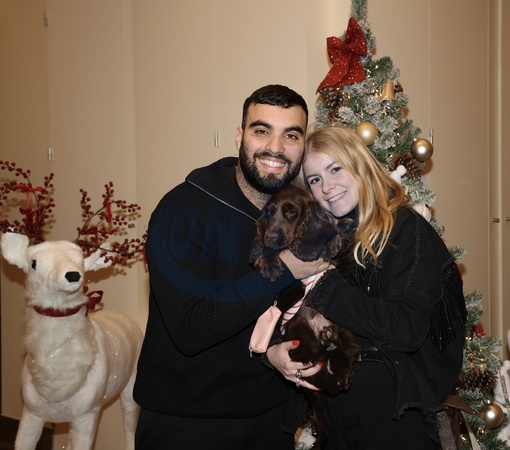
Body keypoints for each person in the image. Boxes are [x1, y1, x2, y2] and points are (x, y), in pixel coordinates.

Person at [134, 84, 325, 450]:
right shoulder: (183, 211)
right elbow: (190, 328)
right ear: (240, 136)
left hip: (269, 421)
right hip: (187, 424)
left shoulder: (300, 213)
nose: (275, 147)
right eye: (261, 131)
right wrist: (282, 270)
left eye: (291, 135)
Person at [267, 124, 467, 449]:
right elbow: (286, 314)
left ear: (360, 165)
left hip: (394, 423)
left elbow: (406, 328)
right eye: (315, 179)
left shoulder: (405, 231)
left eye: (335, 169)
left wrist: (324, 284)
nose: (327, 187)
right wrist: (275, 351)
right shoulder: (324, 242)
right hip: (338, 421)